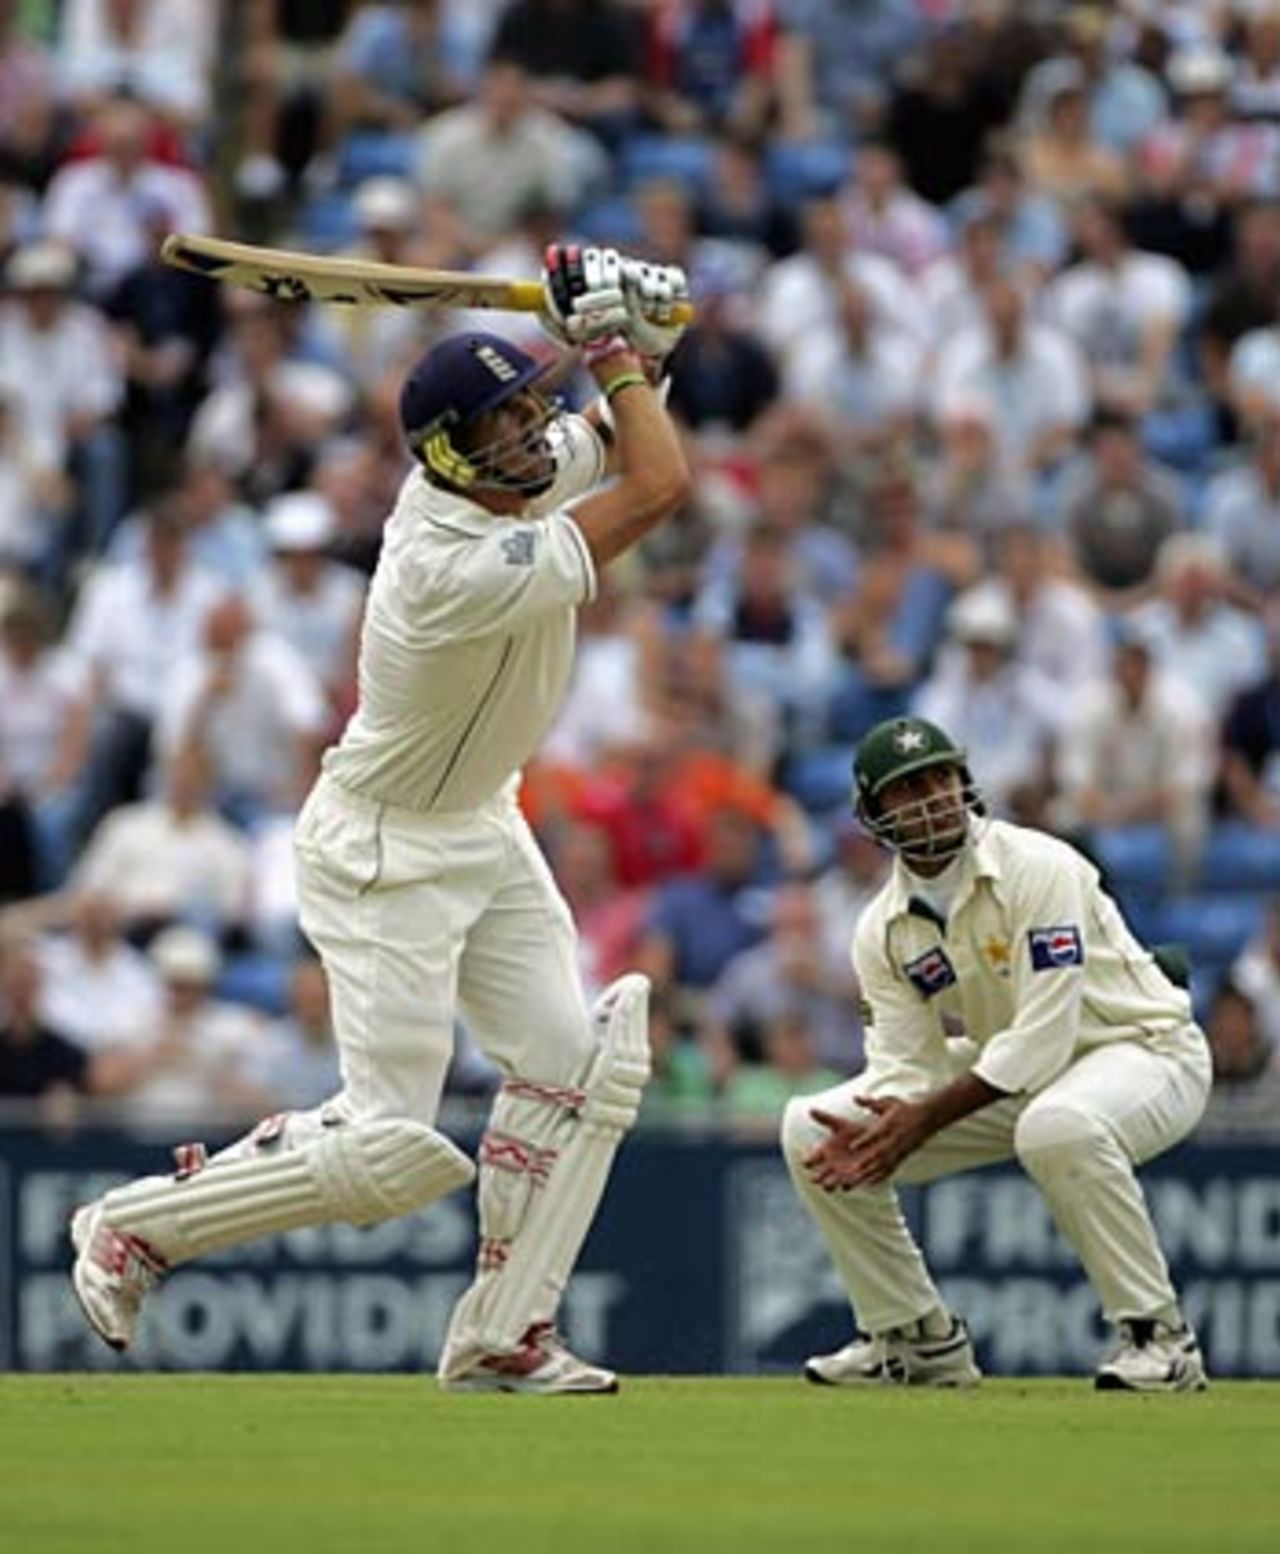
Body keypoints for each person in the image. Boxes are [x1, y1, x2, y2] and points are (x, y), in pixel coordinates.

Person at [69, 244, 691, 1396]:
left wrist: (645, 336)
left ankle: (504, 1334)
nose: (531, 442)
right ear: (454, 456)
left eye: (528, 415)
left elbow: (624, 429)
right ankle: (132, 1225)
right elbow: (657, 486)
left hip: (481, 825)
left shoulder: (503, 472)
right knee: (389, 1151)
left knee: (579, 1070)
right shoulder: (446, 562)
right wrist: (611, 350)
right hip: (384, 849)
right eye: (506, 427)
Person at [780, 714, 1213, 1392]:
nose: (932, 797)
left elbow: (1042, 1039)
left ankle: (1159, 1338)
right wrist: (887, 1125)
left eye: (941, 777)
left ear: (965, 782)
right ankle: (914, 1338)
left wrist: (921, 1120)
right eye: (908, 788)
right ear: (872, 814)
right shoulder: (881, 929)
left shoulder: (1042, 866)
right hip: (1016, 1081)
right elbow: (906, 1067)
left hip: (1146, 1052)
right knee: (810, 1127)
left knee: (1058, 1125)